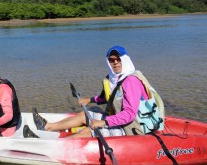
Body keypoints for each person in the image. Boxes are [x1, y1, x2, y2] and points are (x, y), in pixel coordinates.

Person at [31, 46, 163, 137]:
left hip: (134, 127)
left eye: (118, 59)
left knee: (89, 131)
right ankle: (47, 127)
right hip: (121, 120)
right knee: (84, 115)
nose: (115, 63)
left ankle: (54, 146)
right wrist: (89, 100)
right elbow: (109, 98)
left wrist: (103, 122)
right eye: (112, 60)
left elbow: (129, 114)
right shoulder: (114, 79)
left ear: (125, 60)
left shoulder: (131, 81)